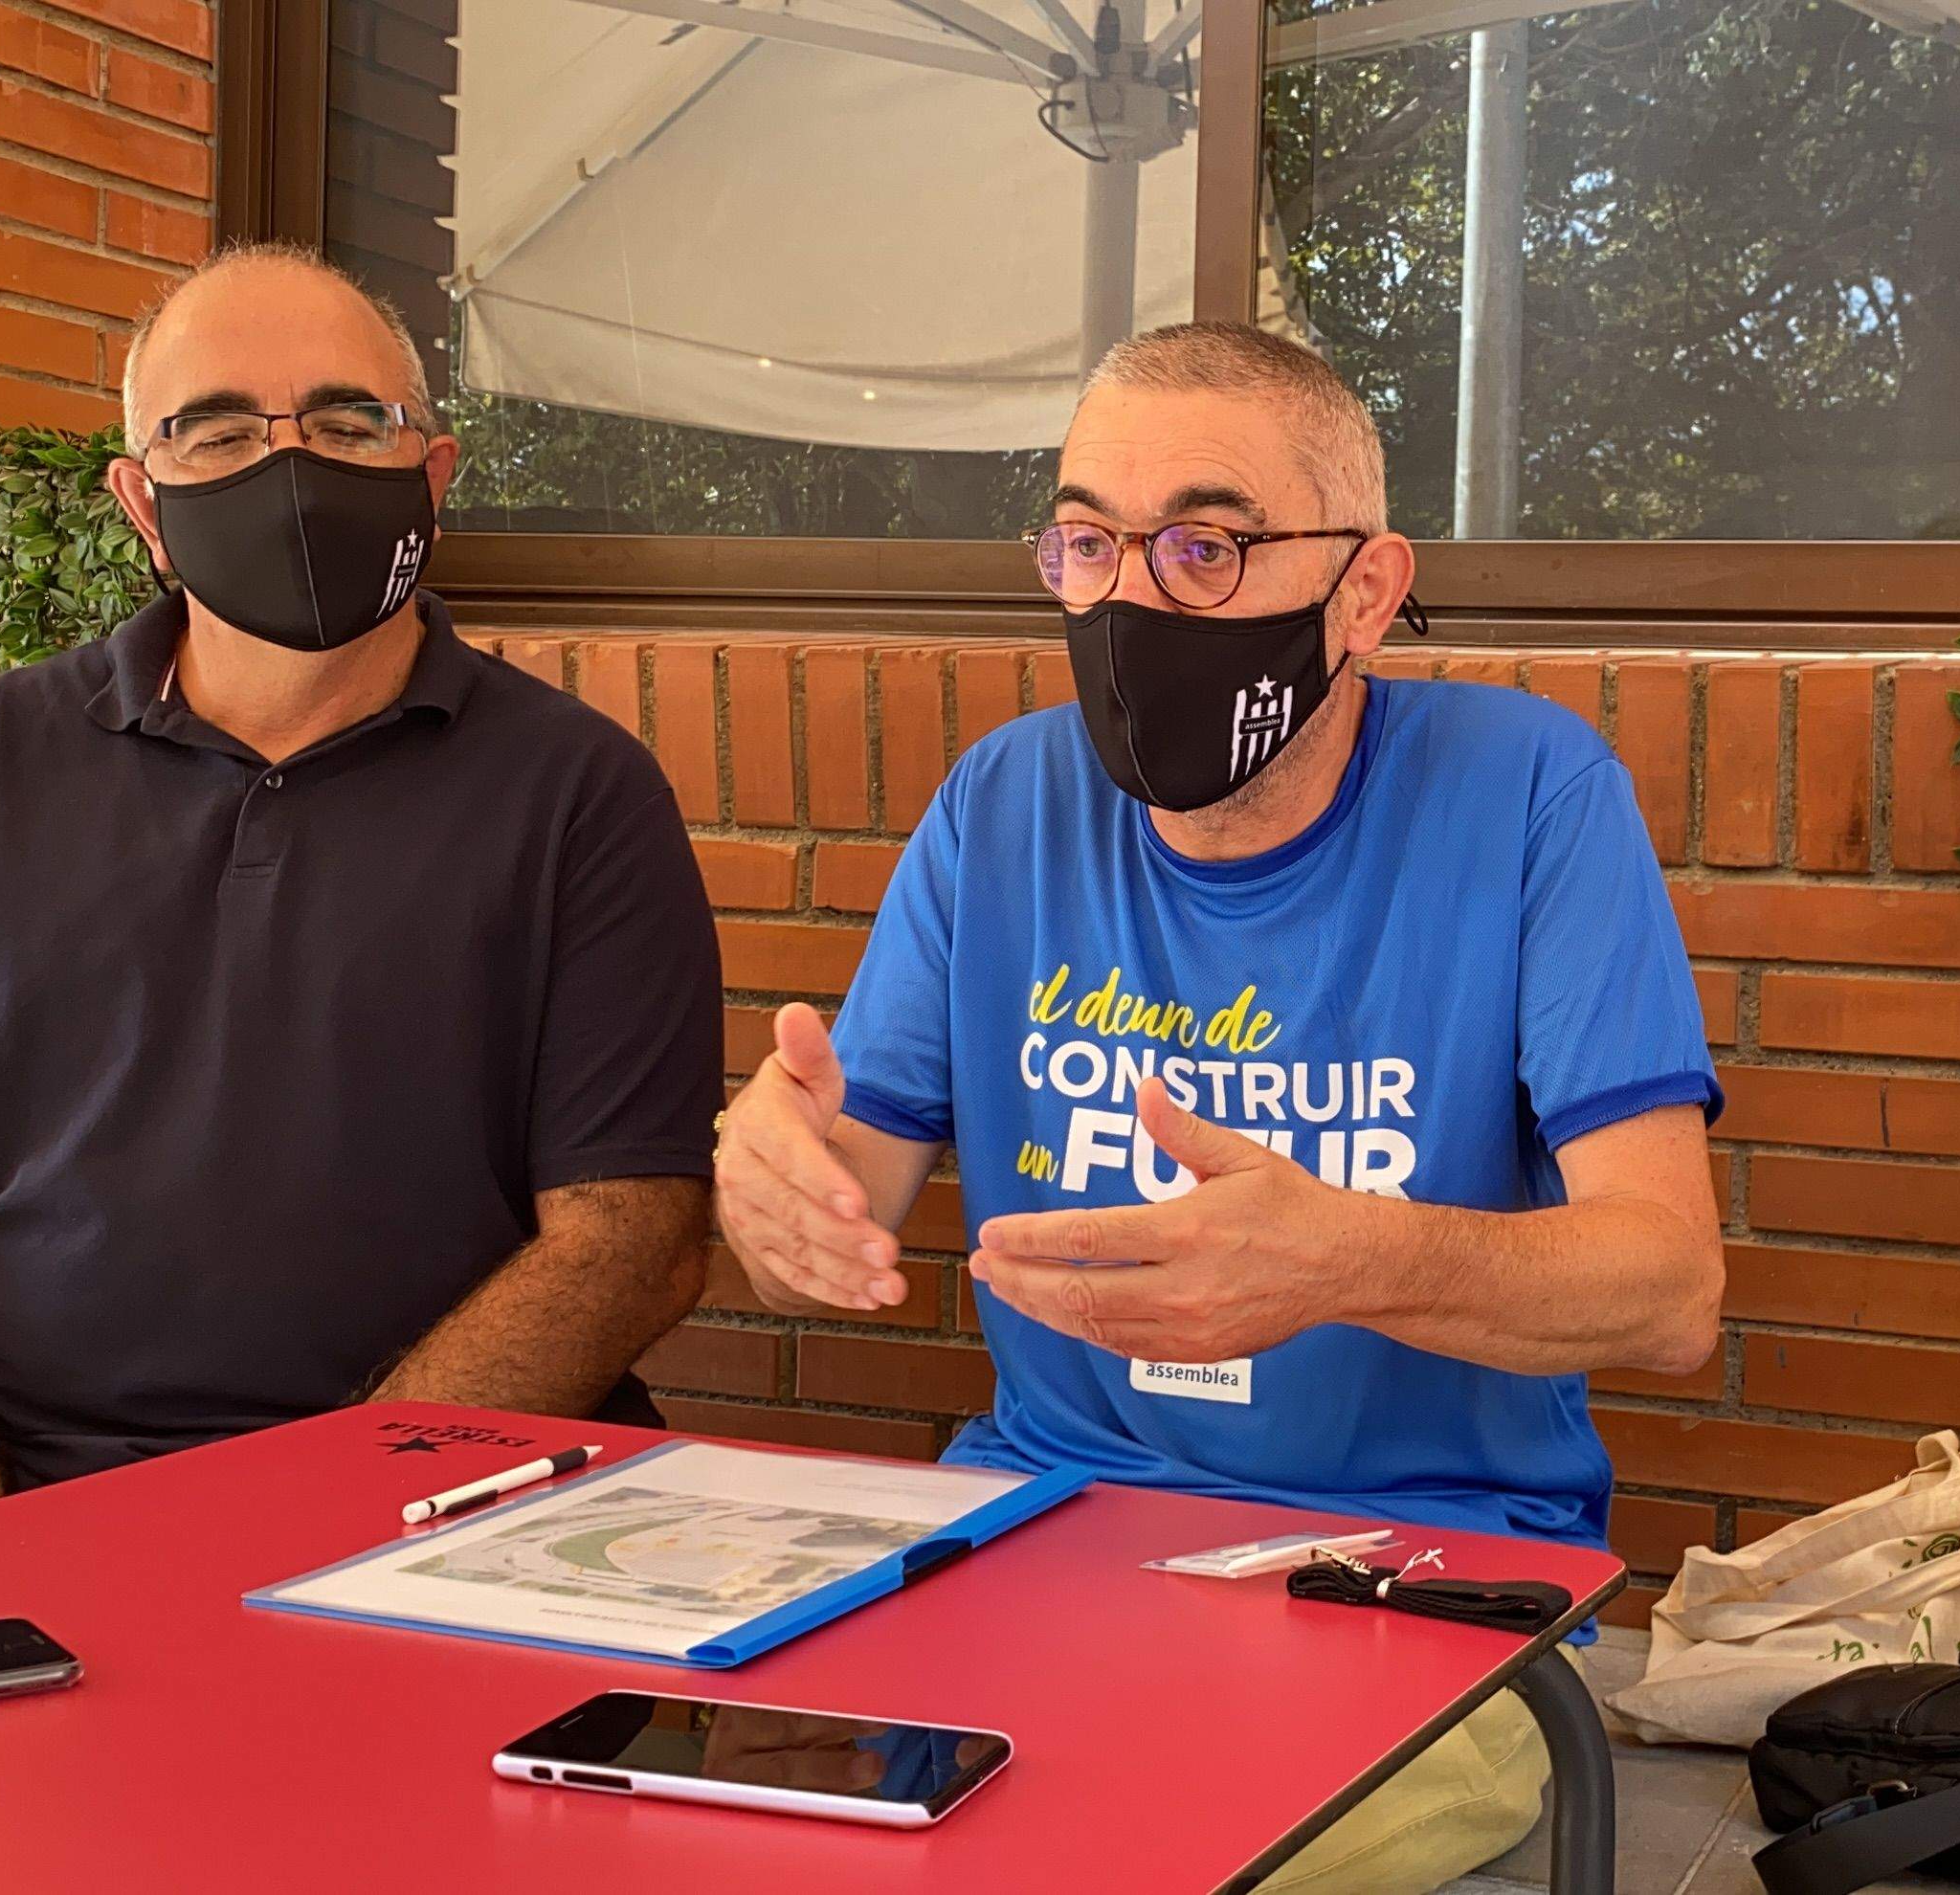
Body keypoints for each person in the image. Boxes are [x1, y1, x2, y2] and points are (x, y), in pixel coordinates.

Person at [712, 321, 1725, 1892]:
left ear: (1367, 591)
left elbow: (1670, 1292)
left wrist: (1349, 1262)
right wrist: (770, 1175)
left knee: (1129, 1863)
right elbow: (840, 1198)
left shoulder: (1528, 792)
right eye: (1088, 542)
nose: (1129, 601)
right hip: (1031, 1541)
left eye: (1204, 546)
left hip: (1418, 1579)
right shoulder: (1005, 803)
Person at [0, 243, 722, 1570]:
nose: (288, 467)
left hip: (424, 1511)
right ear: (142, 501)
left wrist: (319, 1532)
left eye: (349, 420)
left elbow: (631, 1241)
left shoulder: (580, 794)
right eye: (217, 429)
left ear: (434, 474)